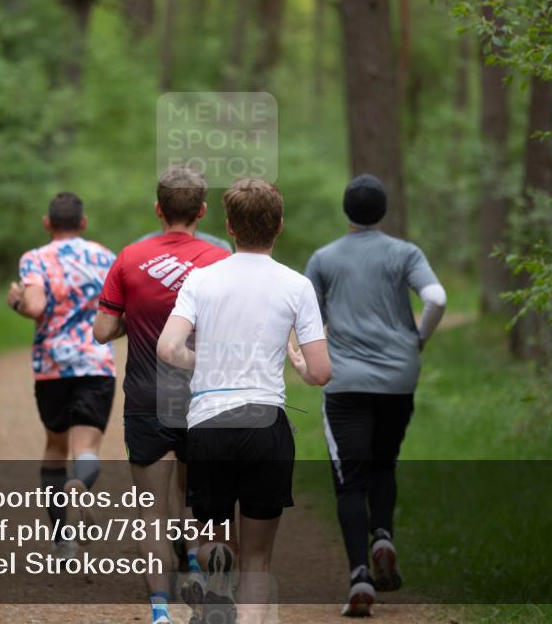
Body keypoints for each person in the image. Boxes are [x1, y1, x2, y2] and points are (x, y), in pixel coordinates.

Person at [157, 178, 331, 624]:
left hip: (209, 423)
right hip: (264, 422)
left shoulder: (201, 279)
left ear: (230, 227)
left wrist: (203, 360)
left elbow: (168, 348)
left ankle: (217, 576)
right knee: (257, 559)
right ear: (279, 225)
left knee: (214, 536)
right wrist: (298, 364)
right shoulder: (297, 285)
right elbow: (320, 372)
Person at [93, 165, 231, 624]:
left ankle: (160, 612)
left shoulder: (129, 258)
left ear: (158, 209)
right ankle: (207, 580)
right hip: (205, 398)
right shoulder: (221, 260)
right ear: (202, 211)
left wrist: (135, 316)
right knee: (209, 507)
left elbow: (101, 331)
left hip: (147, 398)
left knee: (151, 511)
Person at [304, 174, 446, 617]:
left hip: (346, 383)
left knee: (350, 480)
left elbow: (310, 321)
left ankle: (360, 575)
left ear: (347, 210)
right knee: (384, 463)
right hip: (398, 380)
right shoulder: (406, 253)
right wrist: (418, 339)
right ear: (382, 210)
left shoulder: (324, 259)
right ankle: (382, 535)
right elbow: (437, 298)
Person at [7, 191, 117, 560]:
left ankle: (62, 541)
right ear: (83, 223)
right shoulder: (105, 257)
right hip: (95, 363)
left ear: (47, 223)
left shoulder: (35, 258)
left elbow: (35, 305)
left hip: (52, 366)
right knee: (86, 448)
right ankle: (81, 483)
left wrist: (16, 301)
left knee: (55, 446)